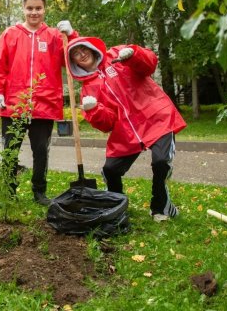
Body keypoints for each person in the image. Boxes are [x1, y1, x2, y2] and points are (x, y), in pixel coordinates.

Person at [65, 36, 186, 222]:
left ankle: (161, 207)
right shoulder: (87, 90)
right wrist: (95, 110)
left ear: (91, 48)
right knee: (111, 169)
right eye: (75, 54)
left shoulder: (115, 55)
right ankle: (116, 205)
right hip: (126, 131)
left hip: (155, 117)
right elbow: (107, 124)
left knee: (161, 161)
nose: (81, 54)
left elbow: (150, 64)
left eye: (83, 49)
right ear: (73, 63)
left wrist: (134, 55)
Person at [0, 0, 77, 206]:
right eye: (30, 8)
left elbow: (74, 58)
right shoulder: (11, 34)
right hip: (14, 105)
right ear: (23, 9)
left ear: (45, 9)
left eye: (38, 8)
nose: (34, 12)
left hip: (44, 105)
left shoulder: (55, 36)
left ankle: (39, 192)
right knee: (10, 151)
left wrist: (72, 36)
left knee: (41, 151)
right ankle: (9, 192)